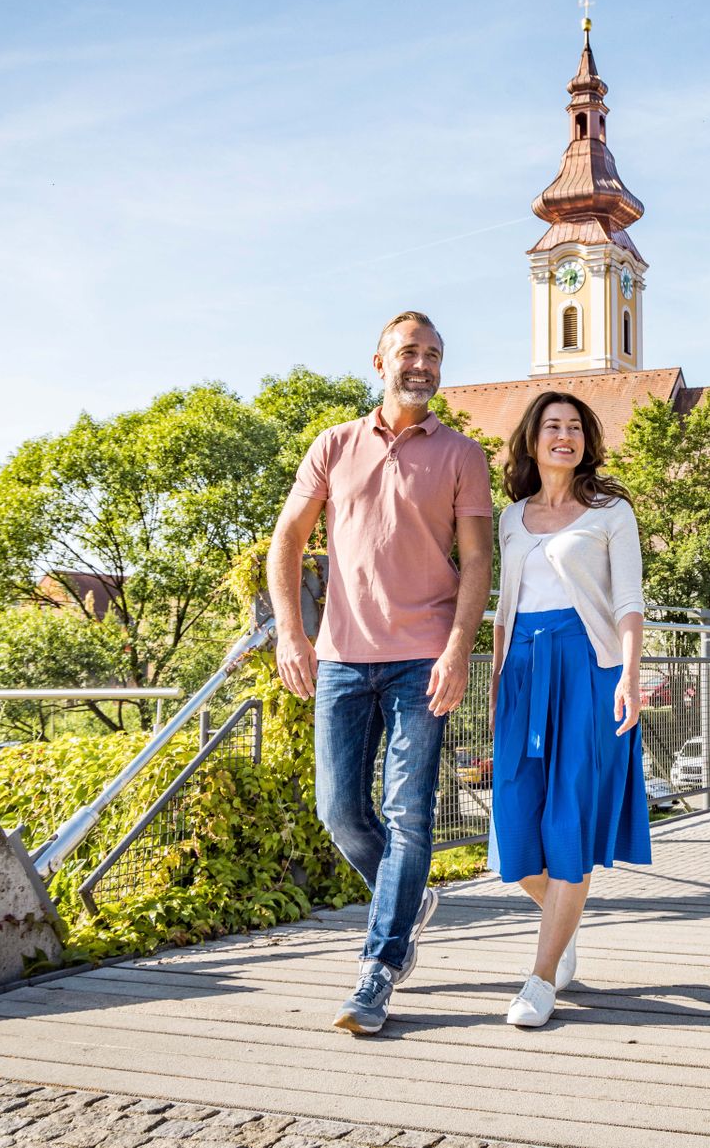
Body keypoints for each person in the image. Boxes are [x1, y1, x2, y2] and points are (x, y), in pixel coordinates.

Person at [266, 310, 493, 1035]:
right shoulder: (333, 445)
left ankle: (377, 969)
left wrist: (458, 648)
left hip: (422, 655)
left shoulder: (462, 454)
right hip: (338, 656)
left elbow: (478, 561)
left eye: (433, 353)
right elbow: (286, 542)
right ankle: (409, 899)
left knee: (408, 813)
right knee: (338, 811)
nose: (421, 363)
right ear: (379, 362)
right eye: (408, 352)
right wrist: (293, 637)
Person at [489, 391, 652, 1028]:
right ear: (533, 439)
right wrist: (499, 677)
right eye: (553, 426)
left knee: (569, 824)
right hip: (522, 671)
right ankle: (563, 923)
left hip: (589, 667)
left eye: (576, 428)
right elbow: (503, 603)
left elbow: (628, 601)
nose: (566, 436)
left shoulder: (611, 512)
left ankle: (540, 976)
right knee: (513, 830)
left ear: (587, 441)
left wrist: (630, 674)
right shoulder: (509, 517)